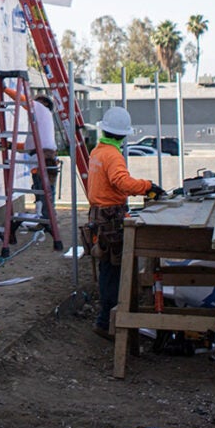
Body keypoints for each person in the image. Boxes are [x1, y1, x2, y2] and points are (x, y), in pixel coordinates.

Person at [85, 107, 164, 339]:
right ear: (123, 134)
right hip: (111, 220)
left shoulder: (97, 152)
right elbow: (122, 182)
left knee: (108, 269)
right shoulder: (112, 155)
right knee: (115, 270)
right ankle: (108, 322)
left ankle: (106, 319)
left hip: (100, 217)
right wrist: (147, 186)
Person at [27, 93, 61, 233]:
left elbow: (24, 100)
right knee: (41, 192)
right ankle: (45, 220)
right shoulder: (40, 120)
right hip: (41, 160)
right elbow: (30, 144)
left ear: (45, 104)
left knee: (45, 192)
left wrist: (4, 89)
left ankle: (49, 222)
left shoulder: (42, 112)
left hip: (45, 161)